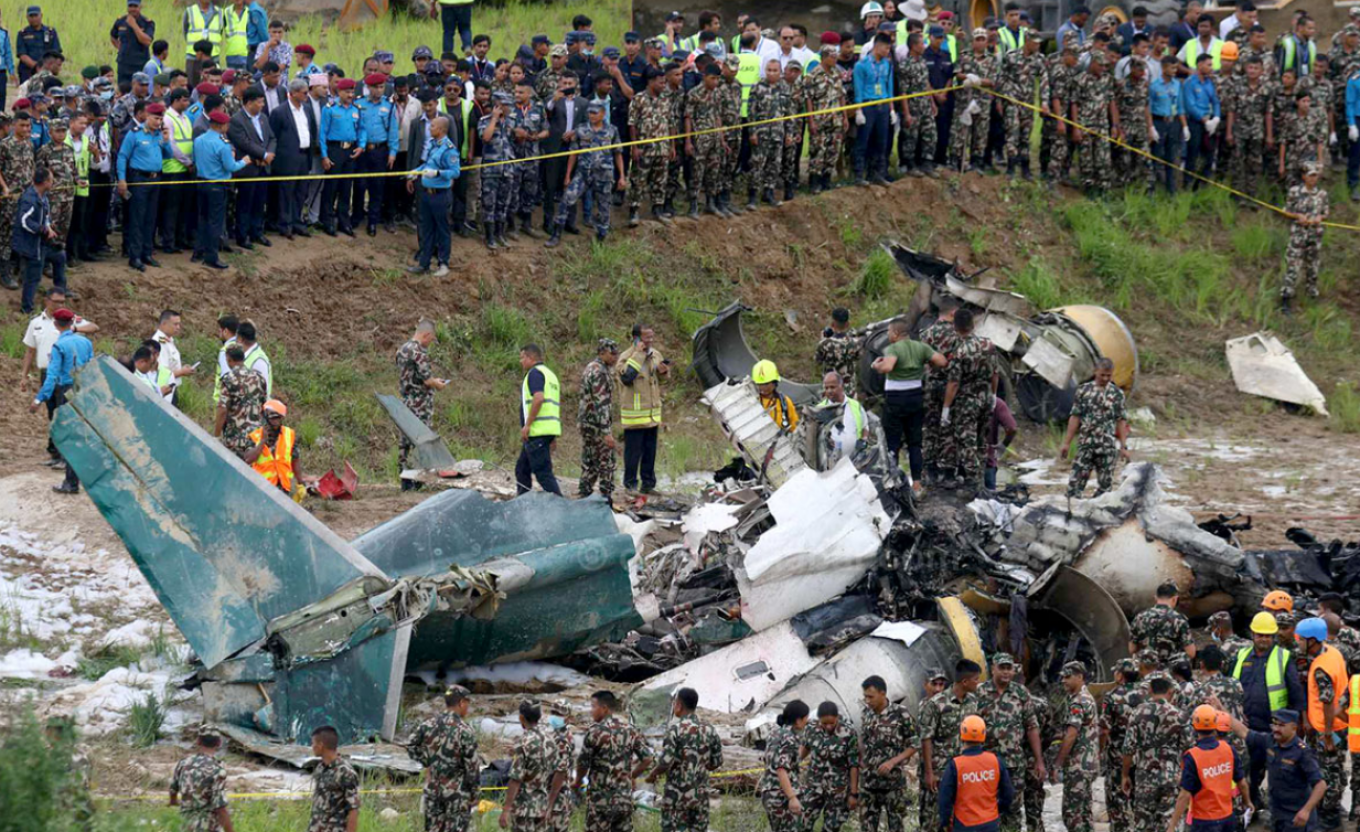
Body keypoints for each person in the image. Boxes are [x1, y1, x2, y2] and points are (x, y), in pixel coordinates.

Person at [21, 288, 97, 466]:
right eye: (57, 301)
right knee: (53, 414)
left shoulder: (69, 319)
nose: (60, 304)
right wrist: (23, 375)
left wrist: (75, 327)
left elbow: (94, 327)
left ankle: (65, 457)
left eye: (63, 301)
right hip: (47, 373)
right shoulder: (36, 323)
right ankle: (56, 453)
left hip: (64, 375)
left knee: (64, 415)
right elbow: (30, 351)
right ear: (47, 301)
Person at [872, 317, 946, 485]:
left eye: (889, 331)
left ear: (896, 333)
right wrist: (927, 365)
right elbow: (942, 361)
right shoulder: (921, 347)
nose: (889, 335)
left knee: (892, 442)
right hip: (915, 398)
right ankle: (917, 484)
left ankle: (893, 481)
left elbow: (888, 367)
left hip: (896, 400)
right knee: (915, 443)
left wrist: (877, 366)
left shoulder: (893, 348)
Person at [977, 654, 1043, 832]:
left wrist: (1039, 761)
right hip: (986, 764)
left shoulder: (1021, 693)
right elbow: (970, 727)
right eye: (1002, 667)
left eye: (1009, 668)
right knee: (987, 809)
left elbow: (1031, 726)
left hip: (1014, 764)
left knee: (1013, 809)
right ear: (993, 669)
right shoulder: (980, 692)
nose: (1006, 672)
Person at [29, 307, 92, 495]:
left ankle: (71, 483)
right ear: (72, 322)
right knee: (79, 435)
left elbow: (51, 376)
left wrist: (39, 399)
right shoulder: (85, 342)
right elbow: (91, 367)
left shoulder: (58, 346)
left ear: (56, 324)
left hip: (65, 391)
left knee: (69, 438)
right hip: (82, 390)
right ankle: (78, 479)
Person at [1294, 616, 1348, 832]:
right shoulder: (1333, 653)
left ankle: (1329, 816)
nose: (1298, 643)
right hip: (1340, 725)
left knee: (1327, 774)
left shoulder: (1320, 669)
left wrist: (1326, 735)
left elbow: (1326, 702)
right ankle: (1331, 811)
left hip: (1329, 728)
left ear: (1313, 641)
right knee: (1336, 770)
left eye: (1300, 639)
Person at [546, 99, 623, 246]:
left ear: (603, 113)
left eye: (595, 113)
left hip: (604, 174)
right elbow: (573, 153)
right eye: (590, 113)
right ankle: (556, 234)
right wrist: (568, 176)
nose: (592, 116)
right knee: (566, 199)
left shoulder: (612, 130)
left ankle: (601, 237)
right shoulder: (580, 129)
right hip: (583, 173)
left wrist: (622, 177)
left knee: (604, 205)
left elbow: (618, 153)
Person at [1166, 706, 1252, 832]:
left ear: (1194, 727)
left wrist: (1172, 825)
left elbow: (1184, 795)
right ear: (1215, 725)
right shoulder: (1228, 749)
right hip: (1227, 817)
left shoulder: (1192, 756)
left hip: (1204, 821)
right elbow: (1242, 783)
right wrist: (1247, 802)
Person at [1121, 676, 1190, 832]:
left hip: (1145, 777)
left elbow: (1128, 748)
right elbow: (1189, 747)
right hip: (1171, 776)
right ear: (1170, 691)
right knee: (1168, 823)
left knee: (1144, 823)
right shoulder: (1178, 715)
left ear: (1150, 690)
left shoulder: (1137, 713)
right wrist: (1184, 773)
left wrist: (1125, 775)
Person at [575, 690, 651, 830]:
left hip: (600, 804)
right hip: (624, 801)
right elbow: (647, 759)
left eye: (593, 706)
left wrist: (577, 783)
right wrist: (630, 776)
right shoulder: (630, 730)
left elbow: (582, 764)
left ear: (604, 708)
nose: (591, 711)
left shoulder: (595, 732)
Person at [408, 685, 479, 832]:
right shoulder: (465, 731)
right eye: (467, 703)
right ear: (461, 703)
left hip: (433, 791)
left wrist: (428, 762)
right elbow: (472, 767)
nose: (468, 708)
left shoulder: (427, 725)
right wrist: (475, 793)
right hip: (457, 794)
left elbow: (411, 746)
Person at [941, 309, 997, 491]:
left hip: (967, 402)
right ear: (973, 325)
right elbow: (995, 373)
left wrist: (946, 408)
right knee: (982, 441)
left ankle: (973, 483)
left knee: (966, 441)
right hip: (986, 398)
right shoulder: (988, 344)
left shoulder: (960, 351)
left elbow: (954, 383)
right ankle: (981, 479)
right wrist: (994, 395)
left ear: (955, 326)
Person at [1060, 357, 1130, 497]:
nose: (1105, 378)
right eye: (1102, 374)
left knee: (1105, 490)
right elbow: (1075, 417)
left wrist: (1123, 446)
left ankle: (1097, 515)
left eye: (1108, 375)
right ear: (1095, 371)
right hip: (1086, 445)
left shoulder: (1117, 394)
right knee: (1074, 487)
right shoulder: (1083, 391)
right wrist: (1066, 443)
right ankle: (1072, 514)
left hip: (1107, 448)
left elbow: (1121, 421)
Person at [117, 101, 172, 272]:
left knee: (151, 218)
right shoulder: (135, 134)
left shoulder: (157, 135)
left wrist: (166, 140)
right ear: (147, 116)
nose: (158, 122)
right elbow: (122, 156)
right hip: (139, 179)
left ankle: (147, 253)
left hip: (155, 180)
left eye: (160, 119)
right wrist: (122, 179)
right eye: (155, 118)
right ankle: (135, 256)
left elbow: (168, 154)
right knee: (137, 218)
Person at [859, 675, 918, 832]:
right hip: (869, 784)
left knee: (896, 826)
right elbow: (864, 742)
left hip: (893, 784)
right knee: (867, 827)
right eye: (865, 696)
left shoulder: (901, 713)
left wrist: (893, 762)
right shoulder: (866, 713)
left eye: (870, 696)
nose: (867, 700)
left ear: (883, 693)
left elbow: (914, 743)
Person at [192, 110, 248, 269]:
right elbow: (231, 167)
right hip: (217, 185)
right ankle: (212, 256)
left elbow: (195, 160)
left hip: (201, 183)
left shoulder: (199, 140)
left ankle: (198, 251)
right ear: (221, 125)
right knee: (215, 222)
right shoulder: (223, 144)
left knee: (202, 218)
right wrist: (244, 161)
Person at [938, 715, 1015, 832]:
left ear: (962, 735)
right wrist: (996, 810)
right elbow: (1008, 794)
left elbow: (945, 799)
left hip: (964, 825)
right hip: (991, 823)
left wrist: (945, 823)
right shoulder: (995, 761)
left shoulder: (955, 765)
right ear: (983, 734)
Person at [617, 325, 669, 494]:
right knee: (633, 454)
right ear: (636, 338)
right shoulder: (625, 357)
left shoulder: (655, 354)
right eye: (647, 338)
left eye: (652, 337)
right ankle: (630, 485)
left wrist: (664, 372)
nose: (650, 341)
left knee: (650, 452)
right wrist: (639, 354)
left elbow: (662, 380)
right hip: (635, 417)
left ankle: (648, 485)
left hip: (652, 416)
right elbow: (626, 377)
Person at [395, 320, 448, 483]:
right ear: (427, 335)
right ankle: (418, 479)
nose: (429, 344)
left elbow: (412, 375)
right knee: (422, 439)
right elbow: (426, 380)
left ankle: (404, 477)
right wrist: (438, 384)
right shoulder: (418, 351)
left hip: (406, 400)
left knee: (405, 441)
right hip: (420, 403)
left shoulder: (402, 349)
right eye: (431, 340)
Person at [502, 699, 565, 831]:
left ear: (521, 718)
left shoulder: (523, 743)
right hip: (542, 806)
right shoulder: (550, 740)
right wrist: (550, 804)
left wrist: (506, 810)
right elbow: (560, 771)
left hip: (523, 809)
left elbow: (516, 780)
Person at [408, 114, 459, 277]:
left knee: (442, 230)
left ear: (442, 130)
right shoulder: (433, 145)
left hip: (440, 195)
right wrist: (417, 171)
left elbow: (455, 172)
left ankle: (443, 263)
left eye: (433, 126)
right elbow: (428, 163)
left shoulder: (449, 149)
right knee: (426, 229)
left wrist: (437, 173)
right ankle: (424, 263)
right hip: (426, 194)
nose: (430, 129)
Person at [268, 78, 318, 240]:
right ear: (293, 93)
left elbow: (312, 131)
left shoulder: (308, 109)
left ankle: (298, 222)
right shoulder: (279, 112)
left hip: (304, 157)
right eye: (304, 93)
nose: (306, 95)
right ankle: (285, 224)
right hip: (287, 159)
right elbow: (273, 136)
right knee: (286, 193)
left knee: (301, 192)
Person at [1052, 661, 1099, 832]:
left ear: (1080, 677)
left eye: (1068, 677)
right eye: (1062, 677)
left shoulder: (1078, 702)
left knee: (1072, 814)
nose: (1063, 681)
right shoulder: (1087, 697)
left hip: (1078, 765)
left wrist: (1058, 763)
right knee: (1085, 813)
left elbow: (1071, 734)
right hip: (1088, 764)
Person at [798, 701, 859, 832]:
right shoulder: (811, 729)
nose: (829, 726)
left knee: (832, 827)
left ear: (837, 717)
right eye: (824, 723)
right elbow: (803, 750)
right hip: (814, 786)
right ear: (818, 719)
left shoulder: (848, 732)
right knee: (802, 822)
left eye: (832, 722)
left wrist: (853, 793)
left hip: (838, 790)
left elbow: (854, 764)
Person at [13, 167, 66, 315]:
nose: (53, 181)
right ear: (45, 182)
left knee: (60, 256)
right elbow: (24, 221)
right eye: (51, 179)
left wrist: (49, 227)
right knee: (33, 277)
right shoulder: (29, 199)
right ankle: (26, 309)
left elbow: (46, 216)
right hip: (32, 245)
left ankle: (61, 294)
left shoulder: (43, 196)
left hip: (42, 243)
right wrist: (43, 229)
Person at [228, 87, 274, 250]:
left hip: (263, 168)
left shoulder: (263, 118)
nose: (262, 105)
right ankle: (243, 235)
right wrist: (263, 155)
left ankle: (257, 232)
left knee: (260, 202)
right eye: (259, 102)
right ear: (248, 103)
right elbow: (243, 143)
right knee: (245, 203)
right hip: (248, 168)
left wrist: (269, 154)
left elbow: (271, 138)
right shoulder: (236, 120)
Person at [1280, 161, 1328, 312]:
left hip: (1315, 234)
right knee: (1293, 265)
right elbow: (1286, 211)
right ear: (1304, 176)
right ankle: (1286, 297)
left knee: (1313, 265)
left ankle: (1311, 293)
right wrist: (1297, 216)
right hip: (1298, 234)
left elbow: (1326, 212)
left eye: (1316, 175)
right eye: (1311, 175)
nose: (1314, 179)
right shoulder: (1295, 191)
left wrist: (1320, 218)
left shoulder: (1322, 194)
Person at [516, 343, 562, 497]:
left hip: (537, 432)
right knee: (522, 469)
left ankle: (561, 507)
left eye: (522, 357)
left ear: (531, 357)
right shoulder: (550, 375)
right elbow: (551, 406)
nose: (521, 361)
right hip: (546, 432)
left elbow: (539, 398)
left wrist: (527, 425)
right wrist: (552, 437)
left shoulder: (534, 374)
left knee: (543, 474)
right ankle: (523, 502)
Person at [577, 338, 619, 501]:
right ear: (602, 352)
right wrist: (606, 432)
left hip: (587, 423)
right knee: (606, 461)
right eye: (612, 353)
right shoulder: (599, 372)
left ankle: (584, 494)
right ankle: (605, 498)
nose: (615, 357)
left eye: (616, 353)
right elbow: (600, 404)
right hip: (597, 425)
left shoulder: (591, 368)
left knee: (590, 461)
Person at [760, 700, 810, 832]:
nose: (807, 721)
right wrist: (792, 798)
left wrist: (807, 746)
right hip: (781, 797)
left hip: (769, 794)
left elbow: (786, 760)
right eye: (806, 718)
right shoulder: (789, 738)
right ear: (798, 721)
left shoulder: (775, 733)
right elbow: (781, 769)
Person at [168, 732, 234, 832]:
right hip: (207, 826)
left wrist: (173, 801)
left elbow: (173, 789)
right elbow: (220, 807)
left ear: (198, 741)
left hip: (186, 825)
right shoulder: (217, 769)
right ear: (219, 743)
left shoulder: (183, 764)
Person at [854, 33, 895, 184]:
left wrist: (891, 109)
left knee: (881, 141)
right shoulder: (861, 65)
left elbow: (888, 87)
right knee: (863, 141)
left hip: (883, 106)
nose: (888, 51)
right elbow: (859, 88)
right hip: (868, 105)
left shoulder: (887, 64)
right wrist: (859, 110)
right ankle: (859, 174)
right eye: (886, 48)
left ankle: (877, 173)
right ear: (877, 46)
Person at [213, 345, 266, 459]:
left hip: (235, 439)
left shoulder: (229, 379)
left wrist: (216, 436)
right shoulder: (259, 377)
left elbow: (222, 409)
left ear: (229, 360)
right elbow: (263, 405)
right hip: (255, 438)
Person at [307, 727, 360, 832]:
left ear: (321, 745)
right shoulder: (320, 768)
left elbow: (353, 809)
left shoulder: (345, 772)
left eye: (313, 743)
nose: (312, 747)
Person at [245, 400, 301, 497]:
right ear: (265, 417)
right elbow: (248, 459)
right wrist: (262, 441)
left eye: (278, 418)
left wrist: (300, 482)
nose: (275, 421)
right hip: (261, 489)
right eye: (273, 418)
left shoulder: (289, 434)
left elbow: (295, 459)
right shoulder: (255, 436)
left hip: (283, 489)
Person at [1130, 582, 1196, 663]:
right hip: (1168, 671)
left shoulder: (1139, 617)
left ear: (1155, 598)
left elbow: (1132, 649)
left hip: (1145, 670)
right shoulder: (1179, 620)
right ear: (1175, 599)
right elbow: (1191, 653)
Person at [815, 308, 861, 394]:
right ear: (847, 324)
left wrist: (822, 340)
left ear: (832, 323)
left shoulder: (824, 344)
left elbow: (818, 362)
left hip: (829, 389)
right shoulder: (855, 344)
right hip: (848, 389)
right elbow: (858, 358)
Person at [16, 6, 59, 85]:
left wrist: (46, 67)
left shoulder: (51, 33)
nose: (33, 18)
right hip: (28, 71)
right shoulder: (22, 34)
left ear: (41, 15)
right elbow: (22, 55)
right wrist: (37, 67)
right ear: (27, 17)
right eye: (31, 16)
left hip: (47, 70)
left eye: (36, 15)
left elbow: (55, 53)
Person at [752, 359, 798, 432]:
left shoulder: (784, 403)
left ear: (775, 383)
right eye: (760, 384)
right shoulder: (751, 401)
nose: (763, 387)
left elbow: (794, 428)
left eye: (766, 384)